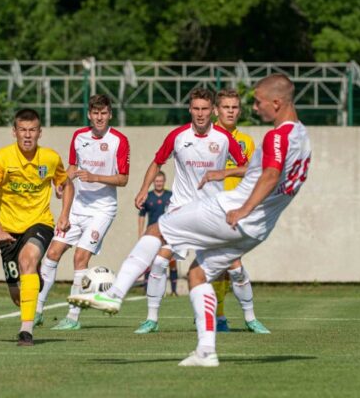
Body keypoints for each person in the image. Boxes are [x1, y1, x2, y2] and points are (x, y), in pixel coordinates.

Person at [69, 74, 312, 367]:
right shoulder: (302, 137)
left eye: (259, 102)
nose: (255, 108)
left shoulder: (276, 137)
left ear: (277, 102)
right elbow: (273, 176)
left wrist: (244, 208)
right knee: (197, 275)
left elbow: (270, 175)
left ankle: (115, 294)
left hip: (227, 210)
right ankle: (206, 351)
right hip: (259, 228)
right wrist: (227, 176)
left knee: (156, 229)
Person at [132, 88, 248, 335]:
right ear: (190, 109)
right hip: (181, 211)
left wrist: (225, 173)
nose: (200, 113)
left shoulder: (224, 138)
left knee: (233, 266)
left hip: (212, 212)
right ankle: (151, 319)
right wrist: (143, 189)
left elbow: (247, 168)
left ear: (212, 111)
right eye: (196, 108)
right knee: (160, 261)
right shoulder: (177, 136)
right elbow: (157, 162)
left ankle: (250, 318)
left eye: (205, 109)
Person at [35, 94, 130, 331]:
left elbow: (123, 179)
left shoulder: (119, 140)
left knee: (80, 257)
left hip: (102, 210)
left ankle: (73, 317)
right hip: (77, 207)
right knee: (52, 254)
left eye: (104, 113)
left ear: (110, 115)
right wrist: (62, 182)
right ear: (89, 114)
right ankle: (36, 311)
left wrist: (95, 177)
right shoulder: (79, 136)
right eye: (95, 113)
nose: (99, 117)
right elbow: (73, 167)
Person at [0, 108, 73, 346]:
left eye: (32, 130)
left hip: (40, 222)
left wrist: (64, 214)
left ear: (40, 132)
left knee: (27, 260)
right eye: (23, 130)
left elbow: (66, 184)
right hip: (9, 231)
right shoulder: (2, 158)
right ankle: (32, 278)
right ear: (14, 132)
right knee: (17, 296)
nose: (28, 135)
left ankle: (26, 331)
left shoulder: (50, 158)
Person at [212, 89, 269, 334]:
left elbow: (253, 171)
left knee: (228, 266)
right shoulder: (206, 137)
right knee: (227, 264)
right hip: (211, 210)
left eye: (234, 107)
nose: (231, 111)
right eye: (226, 107)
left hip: (236, 212)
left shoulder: (246, 141)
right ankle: (241, 317)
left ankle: (220, 316)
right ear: (216, 110)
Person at [137, 172, 174, 296]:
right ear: (153, 182)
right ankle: (147, 289)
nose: (159, 183)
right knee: (150, 260)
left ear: (164, 181)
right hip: (152, 234)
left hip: (167, 234)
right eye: (157, 181)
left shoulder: (170, 196)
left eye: (161, 181)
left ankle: (173, 291)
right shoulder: (148, 196)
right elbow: (141, 215)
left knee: (170, 261)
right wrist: (140, 234)